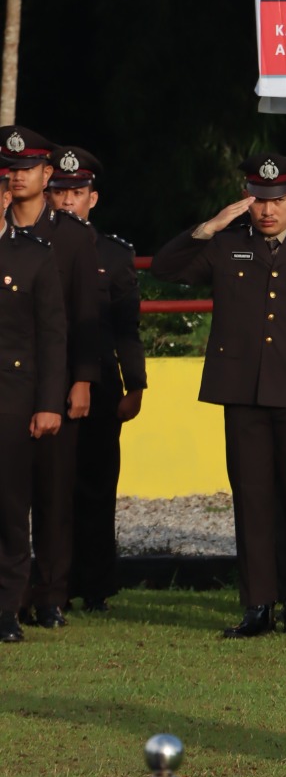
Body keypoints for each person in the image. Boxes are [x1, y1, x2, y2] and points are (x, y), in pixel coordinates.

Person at [152, 154, 286, 637]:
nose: (267, 211)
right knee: (252, 498)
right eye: (259, 201)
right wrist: (211, 225)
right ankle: (258, 604)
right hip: (244, 390)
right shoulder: (228, 246)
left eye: (277, 200)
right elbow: (165, 267)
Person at [0, 125, 99, 628]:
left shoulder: (72, 236)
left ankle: (50, 593)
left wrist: (81, 379)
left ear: (46, 173)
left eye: (25, 169)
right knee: (11, 495)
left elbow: (84, 315)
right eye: (9, 170)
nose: (16, 177)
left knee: (54, 491)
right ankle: (11, 598)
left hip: (56, 382)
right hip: (9, 383)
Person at [47, 146, 147, 612]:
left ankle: (97, 586)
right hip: (45, 380)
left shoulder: (112, 253)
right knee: (51, 489)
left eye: (77, 192)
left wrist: (136, 385)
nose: (68, 201)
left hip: (101, 383)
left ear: (94, 198)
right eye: (60, 192)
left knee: (96, 486)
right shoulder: (30, 245)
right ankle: (53, 584)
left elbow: (127, 328)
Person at [0, 163, 67, 643]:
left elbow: (52, 339)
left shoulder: (32, 258)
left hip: (12, 399)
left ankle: (7, 609)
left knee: (8, 508)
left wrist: (49, 403)